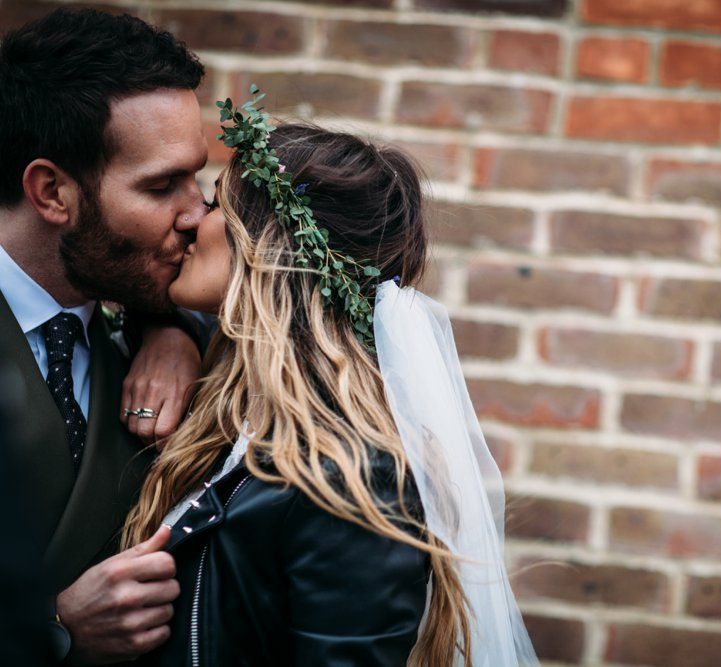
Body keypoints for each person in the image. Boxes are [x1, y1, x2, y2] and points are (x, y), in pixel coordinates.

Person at [122, 90, 538, 665]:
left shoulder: (356, 476)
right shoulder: (230, 419)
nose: (194, 219)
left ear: (268, 242)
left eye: (218, 204)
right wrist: (159, 328)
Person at [0, 8, 213, 664]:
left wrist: (172, 327)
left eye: (196, 176)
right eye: (161, 186)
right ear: (53, 192)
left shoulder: (161, 331)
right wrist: (55, 626)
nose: (197, 214)